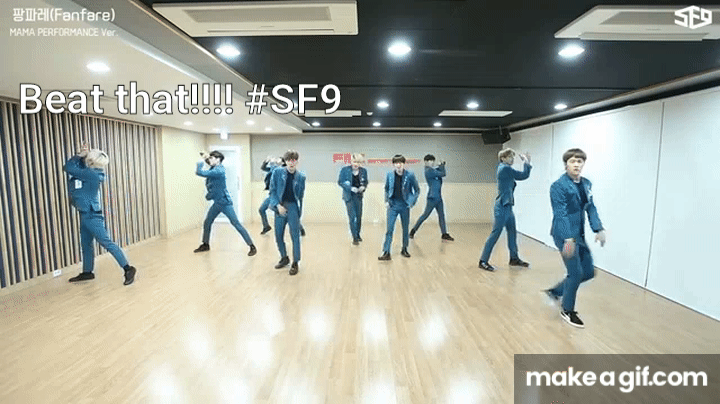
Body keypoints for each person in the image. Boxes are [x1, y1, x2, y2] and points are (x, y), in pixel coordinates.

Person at [545, 148, 606, 328]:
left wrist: (598, 228)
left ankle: (556, 291)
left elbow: (591, 207)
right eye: (572, 161)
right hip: (564, 236)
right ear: (566, 164)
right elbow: (560, 213)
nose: (576, 164)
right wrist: (567, 238)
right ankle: (567, 310)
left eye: (579, 161)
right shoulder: (558, 186)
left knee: (588, 272)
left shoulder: (586, 184)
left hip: (579, 235)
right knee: (576, 272)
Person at [63, 142, 137, 285]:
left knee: (106, 242)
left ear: (91, 161)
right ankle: (87, 272)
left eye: (88, 159)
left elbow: (68, 168)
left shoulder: (92, 175)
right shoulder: (91, 172)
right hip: (85, 214)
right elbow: (79, 170)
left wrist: (79, 155)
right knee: (86, 245)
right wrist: (82, 156)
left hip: (92, 216)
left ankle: (128, 269)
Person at [193, 150, 256, 257]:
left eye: (212, 158)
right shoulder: (215, 167)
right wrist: (206, 157)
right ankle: (205, 244)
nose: (209, 160)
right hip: (217, 203)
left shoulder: (219, 171)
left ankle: (251, 246)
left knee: (236, 223)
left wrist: (200, 161)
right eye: (210, 158)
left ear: (218, 160)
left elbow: (200, 172)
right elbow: (210, 163)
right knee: (207, 222)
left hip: (225, 203)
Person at [478, 148, 532, 271]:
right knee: (495, 234)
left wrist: (527, 163)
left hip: (508, 206)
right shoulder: (505, 169)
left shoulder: (505, 169)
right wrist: (526, 162)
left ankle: (514, 258)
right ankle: (483, 261)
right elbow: (523, 175)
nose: (512, 159)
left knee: (512, 232)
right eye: (509, 157)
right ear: (503, 158)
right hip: (502, 207)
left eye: (512, 157)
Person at [269, 150, 306, 275]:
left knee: (295, 235)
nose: (291, 163)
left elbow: (300, 196)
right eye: (289, 160)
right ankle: (284, 257)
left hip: (293, 207)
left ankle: (295, 262)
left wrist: (298, 212)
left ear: (297, 162)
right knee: (278, 235)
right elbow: (272, 191)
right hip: (280, 206)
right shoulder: (277, 172)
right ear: (285, 161)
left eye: (294, 160)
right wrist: (277, 205)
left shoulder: (301, 177)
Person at [379, 154, 420, 260]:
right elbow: (386, 188)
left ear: (403, 164)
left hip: (404, 205)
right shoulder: (390, 175)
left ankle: (404, 249)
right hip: (392, 205)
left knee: (405, 228)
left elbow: (417, 190)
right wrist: (386, 200)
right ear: (394, 165)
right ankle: (386, 251)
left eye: (400, 163)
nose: (398, 165)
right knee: (389, 229)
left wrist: (411, 201)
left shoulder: (410, 175)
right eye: (396, 163)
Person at [409, 154, 454, 241]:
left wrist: (441, 165)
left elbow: (439, 171)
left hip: (439, 198)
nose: (432, 163)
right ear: (426, 162)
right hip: (432, 198)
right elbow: (443, 173)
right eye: (430, 161)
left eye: (433, 161)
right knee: (425, 215)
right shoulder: (428, 171)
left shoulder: (433, 170)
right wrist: (442, 165)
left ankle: (444, 234)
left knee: (441, 215)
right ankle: (413, 231)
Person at [337, 153, 368, 244]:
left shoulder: (363, 171)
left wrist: (363, 187)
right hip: (349, 196)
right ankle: (354, 237)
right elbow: (340, 182)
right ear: (351, 161)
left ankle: (357, 234)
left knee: (358, 217)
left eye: (358, 162)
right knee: (352, 217)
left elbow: (365, 182)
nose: (356, 164)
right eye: (354, 162)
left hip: (358, 196)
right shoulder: (345, 170)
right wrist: (350, 188)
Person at [259, 155, 283, 235]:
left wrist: (273, 162)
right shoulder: (272, 169)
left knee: (282, 212)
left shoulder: (282, 170)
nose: (276, 160)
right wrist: (266, 161)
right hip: (271, 194)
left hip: (279, 196)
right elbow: (263, 168)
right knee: (261, 209)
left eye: (279, 160)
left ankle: (298, 227)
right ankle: (266, 226)